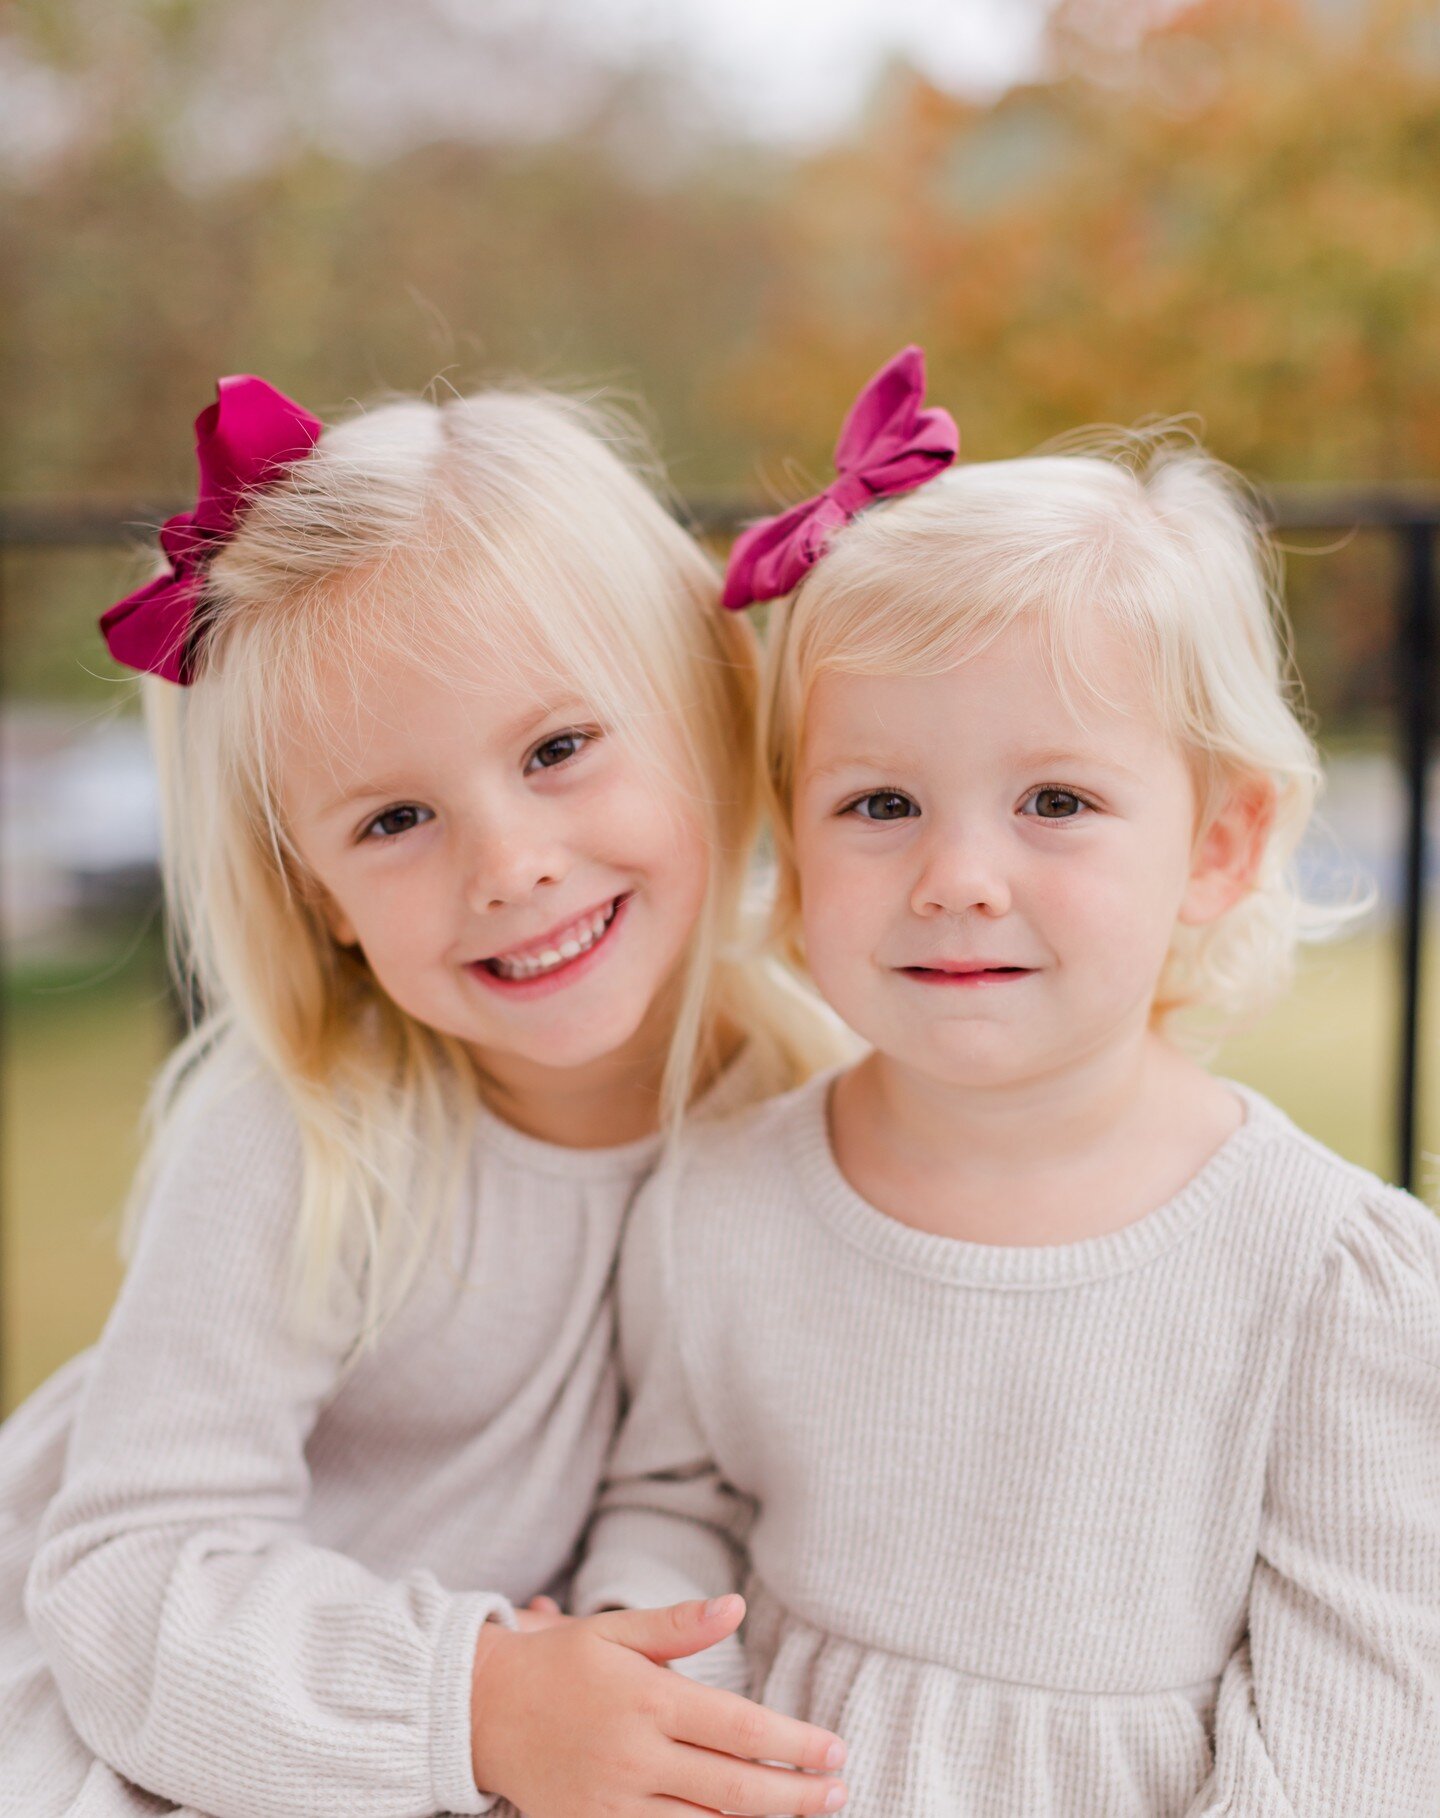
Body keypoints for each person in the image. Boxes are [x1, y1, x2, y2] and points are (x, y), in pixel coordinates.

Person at [573, 348, 1440, 1815]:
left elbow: (1364, 1716)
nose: (958, 878)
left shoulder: (1326, 1276)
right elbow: (676, 1498)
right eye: (881, 803)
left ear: (1219, 842)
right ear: (790, 835)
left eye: (1056, 801)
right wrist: (661, 1693)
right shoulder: (721, 1192)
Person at [0, 376, 852, 1818]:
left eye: (558, 748)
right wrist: (474, 1702)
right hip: (190, 1726)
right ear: (318, 897)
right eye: (395, 819)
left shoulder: (806, 1110)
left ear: (705, 712)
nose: (508, 861)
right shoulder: (309, 1137)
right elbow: (126, 1577)